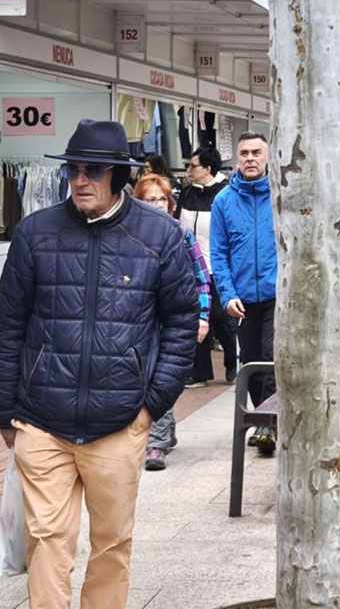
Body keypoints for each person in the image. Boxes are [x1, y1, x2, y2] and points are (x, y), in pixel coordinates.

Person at [0, 119, 198, 608]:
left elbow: (181, 324)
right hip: (42, 420)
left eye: (93, 171)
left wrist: (150, 405)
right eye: (73, 170)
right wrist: (7, 411)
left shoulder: (160, 236)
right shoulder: (35, 233)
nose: (80, 180)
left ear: (118, 176)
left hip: (119, 420)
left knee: (111, 544)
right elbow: (10, 326)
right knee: (49, 540)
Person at [134, 175, 211, 471]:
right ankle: (162, 433)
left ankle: (156, 444)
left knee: (162, 375)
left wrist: (202, 317)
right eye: (149, 199)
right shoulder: (128, 234)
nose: (156, 205)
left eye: (161, 199)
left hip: (173, 319)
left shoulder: (181, 234)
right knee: (146, 376)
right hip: (139, 320)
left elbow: (201, 279)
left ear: (171, 204)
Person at [211, 131, 278, 454]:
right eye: (244, 153)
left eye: (256, 153)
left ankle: (267, 423)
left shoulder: (281, 196)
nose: (250, 158)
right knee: (249, 362)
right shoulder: (223, 201)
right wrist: (227, 294)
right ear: (237, 159)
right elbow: (218, 254)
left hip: (276, 294)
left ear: (267, 157)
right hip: (241, 299)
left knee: (270, 358)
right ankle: (263, 417)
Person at [175, 146, 238, 385]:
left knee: (221, 319)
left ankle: (232, 363)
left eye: (193, 166)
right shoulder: (187, 191)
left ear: (208, 168)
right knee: (195, 318)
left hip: (217, 266)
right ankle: (200, 371)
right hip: (190, 266)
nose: (189, 170)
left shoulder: (226, 194)